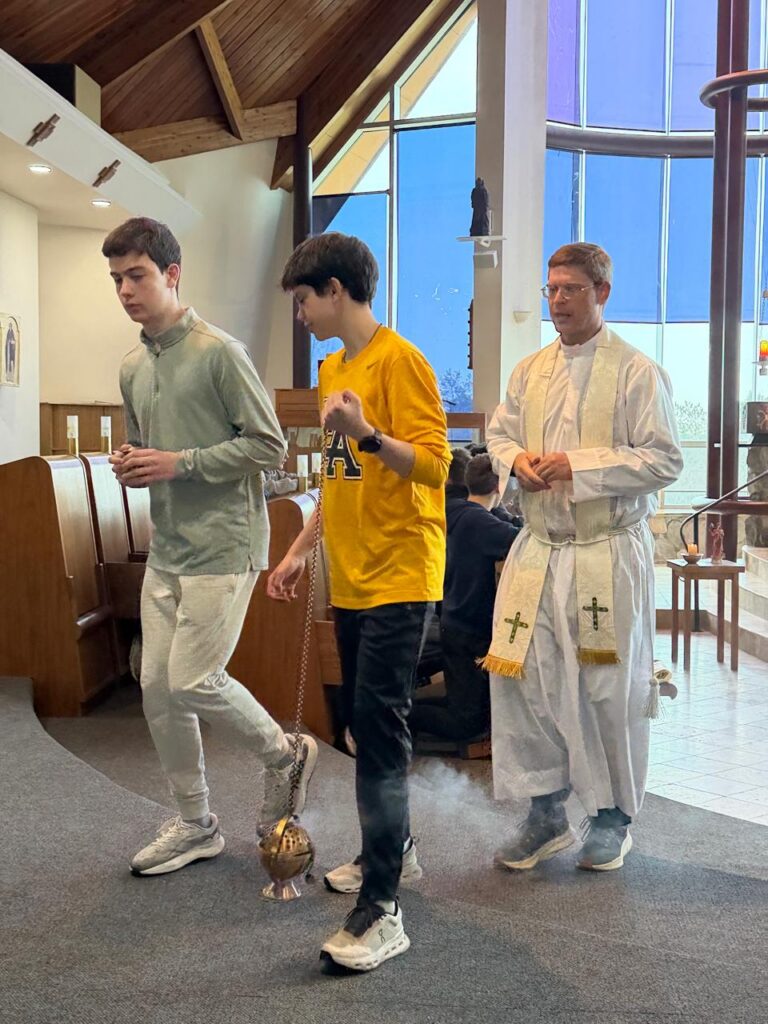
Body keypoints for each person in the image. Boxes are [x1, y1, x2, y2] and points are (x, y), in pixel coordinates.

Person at [103, 217, 317, 877]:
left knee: (194, 680)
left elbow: (268, 446)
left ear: (172, 274)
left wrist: (179, 463)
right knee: (157, 689)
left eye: (137, 275)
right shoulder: (132, 366)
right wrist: (131, 462)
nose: (125, 290)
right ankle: (196, 824)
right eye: (116, 279)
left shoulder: (220, 352)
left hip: (225, 544)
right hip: (168, 547)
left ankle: (285, 754)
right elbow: (147, 449)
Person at [268, 232, 451, 972]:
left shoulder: (401, 361)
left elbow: (437, 467)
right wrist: (298, 549)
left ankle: (383, 908)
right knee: (358, 726)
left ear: (336, 291)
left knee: (378, 729)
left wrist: (369, 433)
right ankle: (395, 848)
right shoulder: (332, 369)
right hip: (350, 575)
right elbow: (337, 478)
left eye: (304, 301)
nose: (301, 315)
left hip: (402, 571)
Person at [485, 243, 682, 873]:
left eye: (570, 288)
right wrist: (516, 460)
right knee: (527, 681)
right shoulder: (530, 371)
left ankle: (612, 818)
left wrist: (578, 466)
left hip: (605, 551)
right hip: (539, 550)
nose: (558, 300)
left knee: (605, 689)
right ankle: (545, 814)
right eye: (551, 289)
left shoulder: (637, 372)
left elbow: (664, 460)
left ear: (602, 292)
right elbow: (499, 433)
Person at [410, 452, 520, 743]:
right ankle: (394, 716)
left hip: (454, 620)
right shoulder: (478, 521)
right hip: (468, 629)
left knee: (470, 707)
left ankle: (402, 711)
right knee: (468, 723)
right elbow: (520, 540)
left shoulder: (459, 510)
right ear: (499, 486)